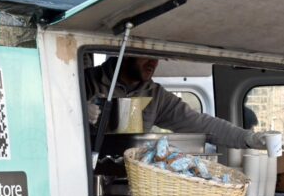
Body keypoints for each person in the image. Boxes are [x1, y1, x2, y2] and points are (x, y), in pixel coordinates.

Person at [84, 56, 269, 149]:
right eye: (146, 54)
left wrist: (248, 138)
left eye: (157, 57)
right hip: (85, 181)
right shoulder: (83, 80)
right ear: (125, 53)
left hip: (132, 182)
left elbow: (199, 123)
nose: (153, 63)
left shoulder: (156, 96)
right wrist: (77, 111)